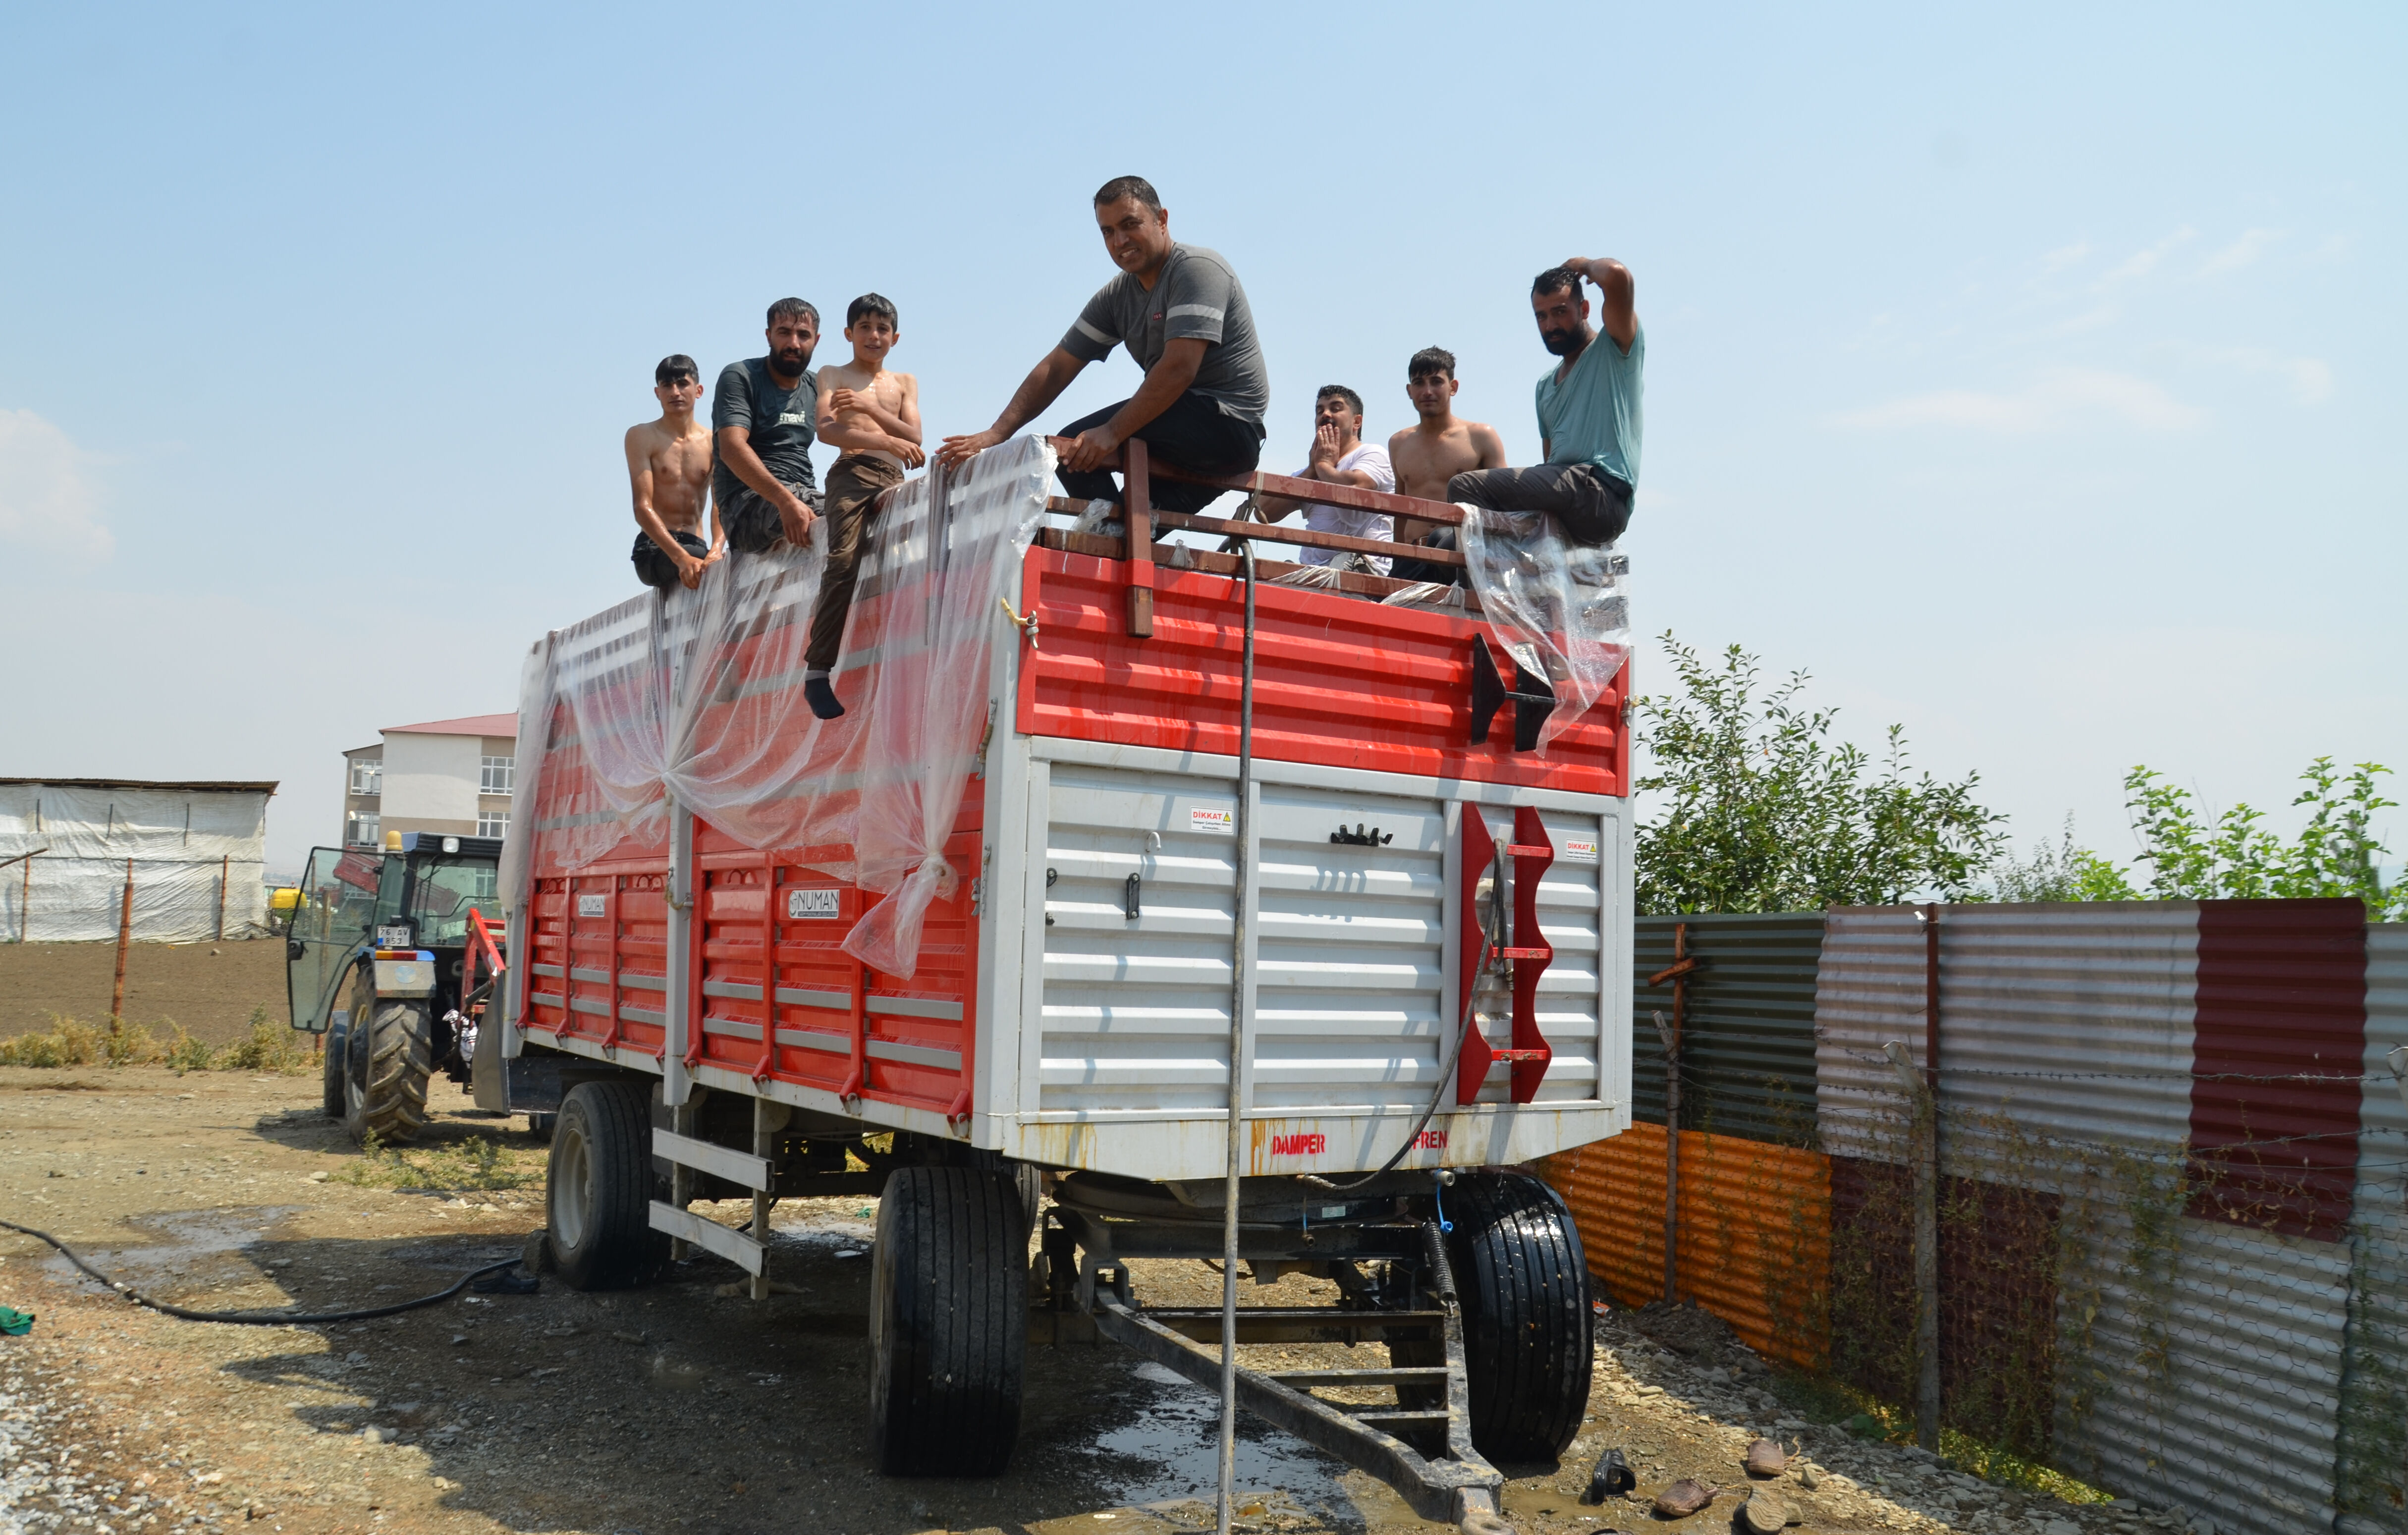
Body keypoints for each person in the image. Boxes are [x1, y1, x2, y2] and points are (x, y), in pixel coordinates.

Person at [934, 176, 1267, 514]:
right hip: (1182, 436)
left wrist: (1111, 432)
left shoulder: (1197, 269)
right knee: (1121, 514)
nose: (1120, 240)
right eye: (1108, 232)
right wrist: (997, 433)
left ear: (1162, 220)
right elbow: (1057, 367)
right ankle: (1111, 534)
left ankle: (1107, 527)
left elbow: (1179, 369)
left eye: (1130, 224)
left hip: (1228, 425)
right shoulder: (1117, 297)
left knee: (1075, 444)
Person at [1446, 258, 1642, 547]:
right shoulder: (1545, 387)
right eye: (1541, 316)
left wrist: (1584, 266)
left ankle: (1496, 587)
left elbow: (1617, 277)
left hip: (1600, 494)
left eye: (1560, 312)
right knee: (1443, 539)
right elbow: (1552, 463)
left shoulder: (1613, 349)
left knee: (1464, 487)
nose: (1550, 325)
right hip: (1563, 497)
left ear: (1584, 310)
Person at [801, 294, 924, 719]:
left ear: (895, 337)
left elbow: (916, 436)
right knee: (843, 560)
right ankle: (818, 671)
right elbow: (827, 430)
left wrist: (871, 409)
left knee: (914, 559)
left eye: (883, 329)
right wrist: (885, 441)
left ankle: (917, 656)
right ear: (849, 333)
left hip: (894, 479)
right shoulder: (833, 374)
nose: (874, 336)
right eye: (866, 327)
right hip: (851, 473)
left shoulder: (904, 381)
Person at [1385, 347, 1506, 585]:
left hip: (1461, 558)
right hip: (1412, 558)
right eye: (1419, 383)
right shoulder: (1398, 443)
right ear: (1409, 391)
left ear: (1453, 387)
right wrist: (1397, 558)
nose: (1427, 391)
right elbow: (1400, 511)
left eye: (1436, 382)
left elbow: (1504, 506)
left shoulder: (1481, 436)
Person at [715, 298, 823, 553]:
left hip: (804, 494)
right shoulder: (741, 377)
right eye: (784, 333)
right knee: (840, 517)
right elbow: (731, 448)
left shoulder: (817, 386)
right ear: (769, 336)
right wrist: (785, 501)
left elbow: (849, 439)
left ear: (816, 340)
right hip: (746, 506)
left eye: (803, 335)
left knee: (862, 508)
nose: (794, 344)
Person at [1251, 385, 1395, 575]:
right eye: (1320, 411)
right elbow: (1265, 512)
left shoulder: (1371, 454)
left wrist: (1324, 467)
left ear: (1357, 422)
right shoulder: (1312, 471)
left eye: (1336, 409)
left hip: (1361, 571)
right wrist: (1312, 471)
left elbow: (1354, 487)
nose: (1326, 414)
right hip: (1312, 574)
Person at [624, 355, 724, 592]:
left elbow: (720, 505)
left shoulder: (713, 441)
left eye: (682, 384)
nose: (675, 392)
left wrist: (717, 548)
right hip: (654, 548)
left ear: (698, 390)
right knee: (699, 567)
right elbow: (641, 506)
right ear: (657, 393)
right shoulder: (642, 436)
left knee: (728, 564)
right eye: (667, 386)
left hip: (697, 546)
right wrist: (681, 558)